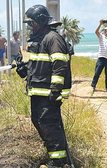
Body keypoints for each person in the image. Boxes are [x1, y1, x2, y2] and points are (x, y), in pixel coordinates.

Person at [17, 4, 72, 168]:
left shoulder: (52, 38)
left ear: (40, 22)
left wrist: (55, 90)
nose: (29, 27)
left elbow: (59, 65)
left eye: (31, 23)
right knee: (39, 120)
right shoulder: (41, 39)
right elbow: (39, 66)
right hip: (39, 93)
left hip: (48, 94)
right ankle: (53, 154)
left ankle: (59, 162)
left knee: (49, 124)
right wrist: (24, 69)